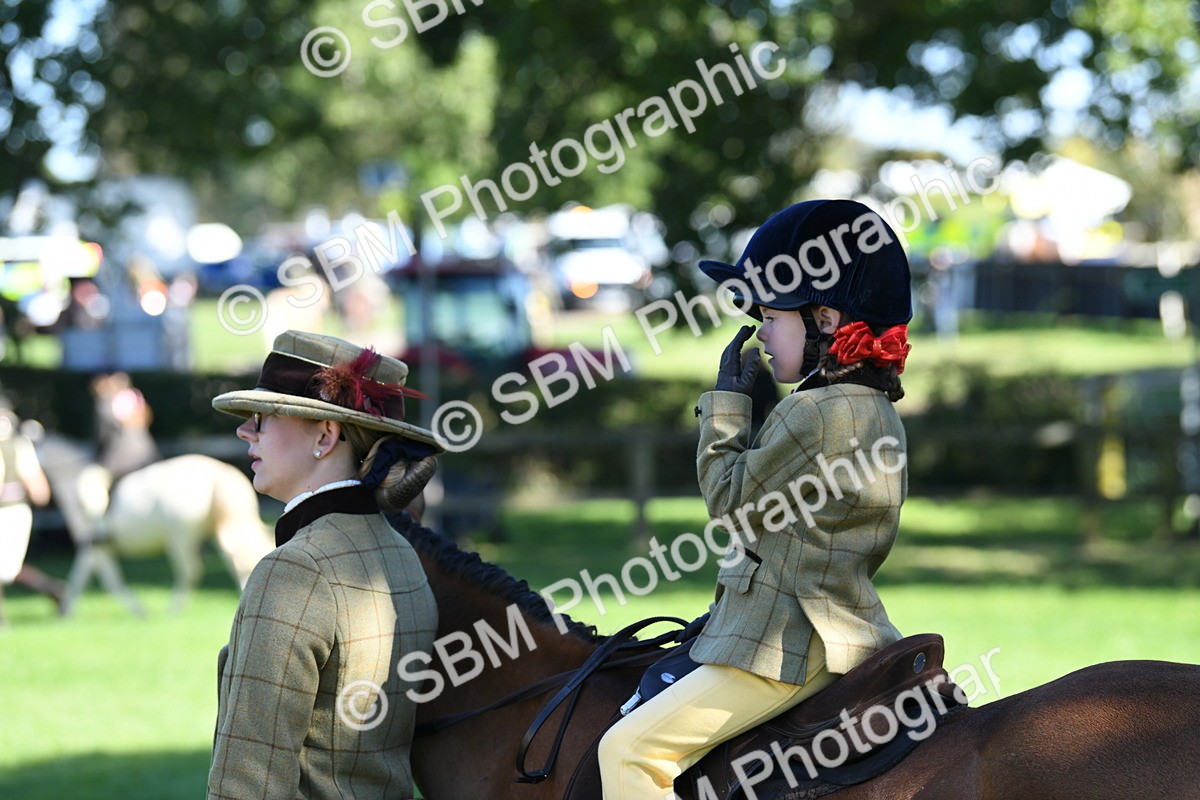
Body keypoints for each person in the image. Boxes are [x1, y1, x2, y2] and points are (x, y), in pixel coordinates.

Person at [599, 199, 913, 798]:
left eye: (772, 317)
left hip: (787, 641)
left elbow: (732, 505)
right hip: (840, 623)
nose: (761, 335)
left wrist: (726, 408)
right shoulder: (876, 408)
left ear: (824, 317)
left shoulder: (811, 411)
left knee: (630, 752)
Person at [207, 330, 441, 800]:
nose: (245, 431)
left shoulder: (296, 571)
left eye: (263, 418)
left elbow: (248, 783)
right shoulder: (403, 556)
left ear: (325, 435)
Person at [0, 405, 66, 624]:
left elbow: (37, 486)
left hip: (11, 511)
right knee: (8, 568)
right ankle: (52, 589)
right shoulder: (20, 444)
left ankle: (52, 589)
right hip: (17, 511)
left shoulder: (18, 445)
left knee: (7, 568)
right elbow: (39, 491)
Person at [91, 372, 159, 483]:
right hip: (145, 449)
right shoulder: (134, 396)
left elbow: (102, 436)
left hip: (122, 458)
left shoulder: (107, 403)